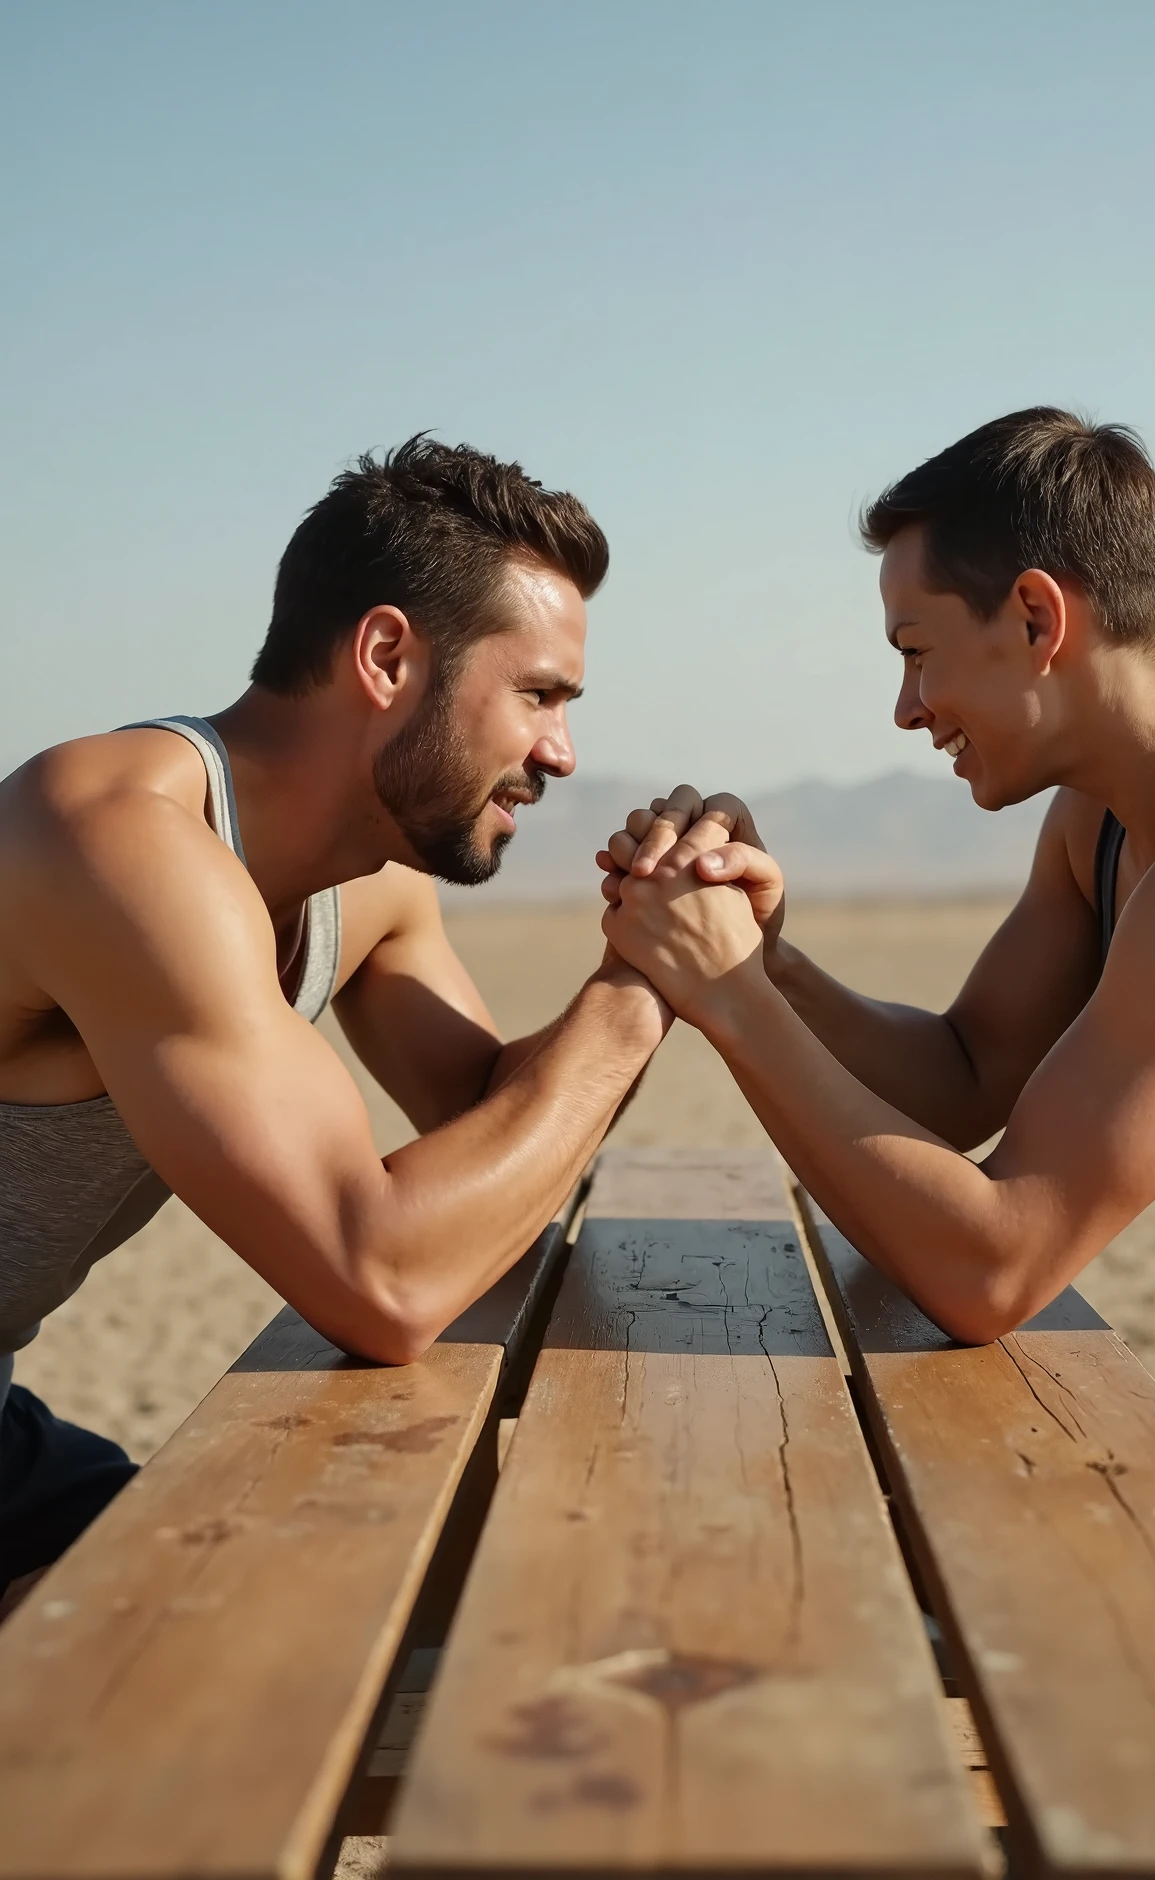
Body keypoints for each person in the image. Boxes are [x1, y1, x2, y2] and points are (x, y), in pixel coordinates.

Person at [597, 407, 1155, 1615]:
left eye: (914, 649)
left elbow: (992, 1263)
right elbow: (964, 1074)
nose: (905, 708)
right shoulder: (1106, 817)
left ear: (1034, 615)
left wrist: (728, 997)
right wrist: (769, 960)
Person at [0, 435, 669, 1614]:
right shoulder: (114, 839)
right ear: (385, 655)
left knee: (300, 1601)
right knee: (171, 1653)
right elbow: (383, 1275)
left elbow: (494, 1135)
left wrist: (666, 946)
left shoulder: (370, 881)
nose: (559, 752)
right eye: (538, 695)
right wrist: (640, 992)